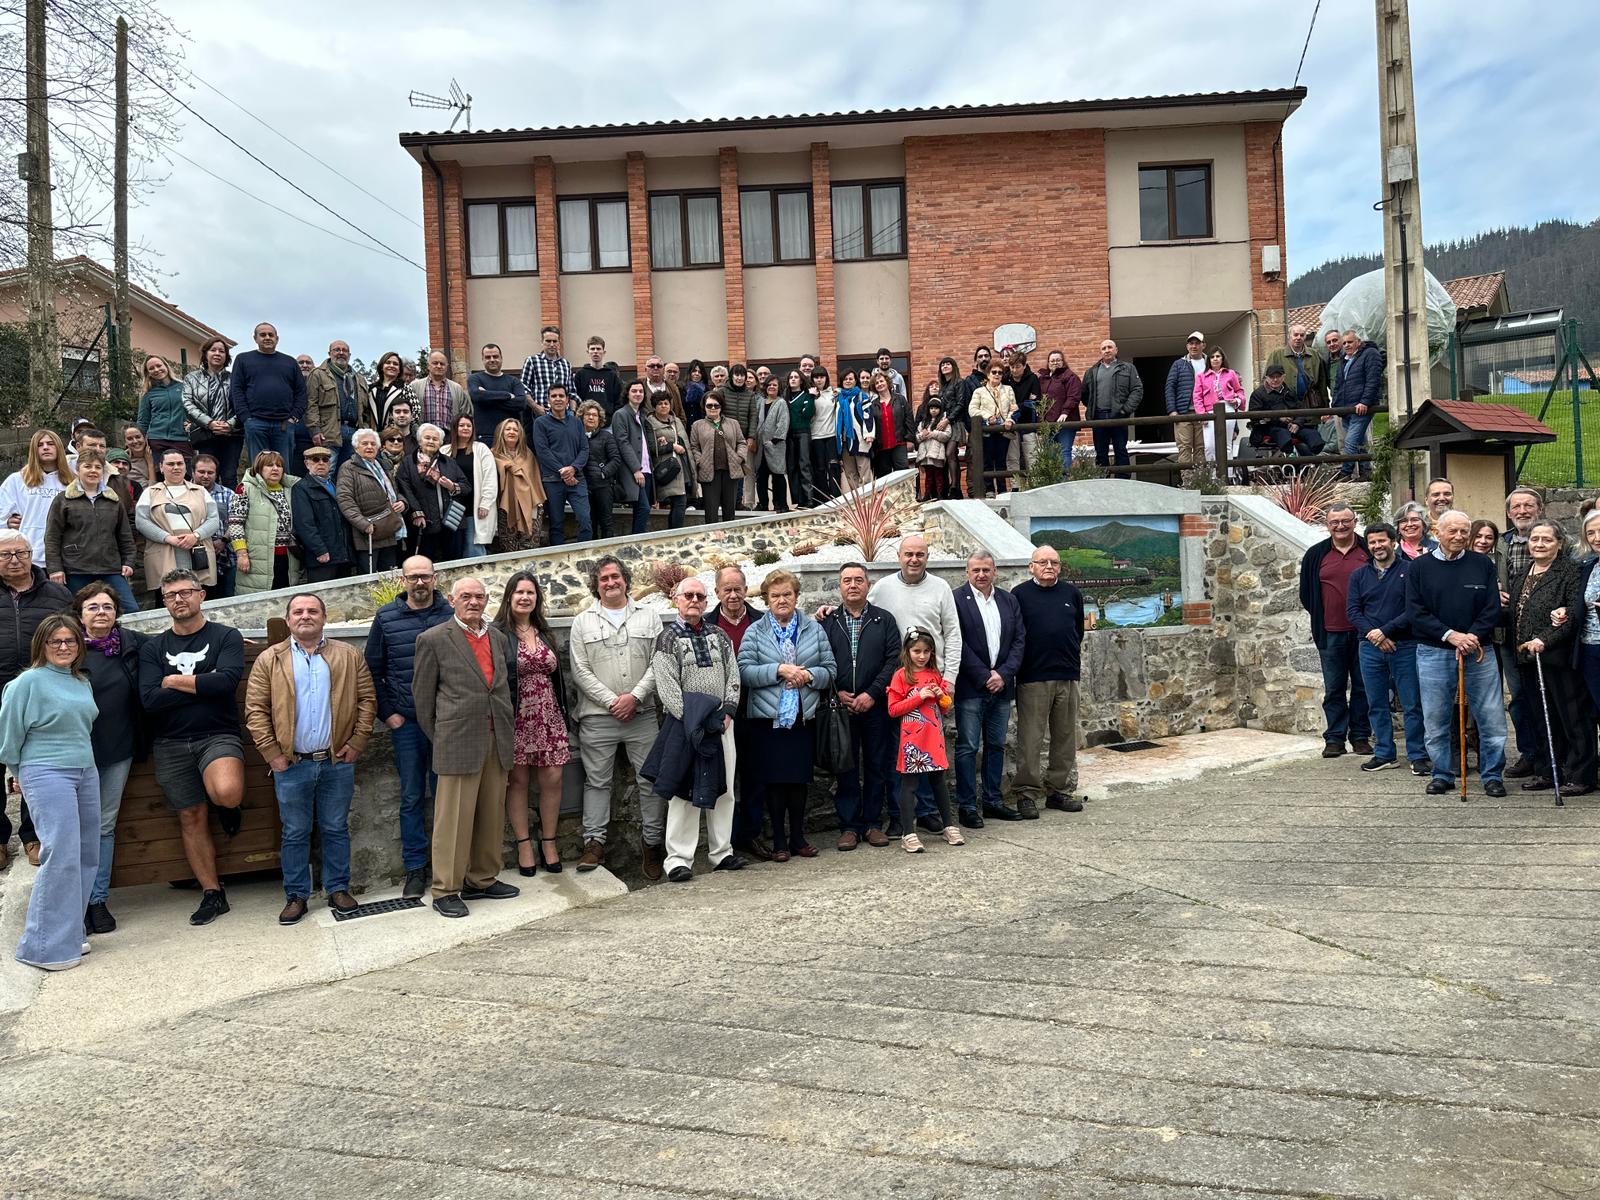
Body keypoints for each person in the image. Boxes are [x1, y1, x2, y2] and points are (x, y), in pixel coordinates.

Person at [245, 593, 377, 924]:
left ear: (324, 617)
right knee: (294, 832)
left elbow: (367, 700)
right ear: (288, 619)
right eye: (299, 611)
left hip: (336, 762)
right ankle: (296, 896)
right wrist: (272, 753)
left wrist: (358, 741)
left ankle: (338, 888)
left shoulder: (349, 655)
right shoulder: (270, 660)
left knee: (335, 827)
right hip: (292, 764)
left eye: (313, 611)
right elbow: (256, 710)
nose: (306, 616)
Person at [138, 568, 246, 925]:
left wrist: (173, 681)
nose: (178, 599)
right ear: (164, 602)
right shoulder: (153, 648)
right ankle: (212, 893)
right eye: (171, 595)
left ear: (201, 595)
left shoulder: (226, 636)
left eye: (185, 592)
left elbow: (227, 683)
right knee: (190, 816)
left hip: (217, 735)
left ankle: (227, 807)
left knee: (227, 792)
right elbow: (149, 700)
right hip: (170, 743)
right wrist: (203, 684)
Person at [412, 575, 520, 918]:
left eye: (479, 596)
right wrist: (443, 736)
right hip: (457, 741)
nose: (473, 602)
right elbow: (423, 699)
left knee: (491, 814)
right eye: (466, 596)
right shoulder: (433, 639)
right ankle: (446, 889)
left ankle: (482, 879)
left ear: (486, 600)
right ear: (452, 600)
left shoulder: (498, 637)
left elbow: (502, 687)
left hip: (496, 738)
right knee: (453, 820)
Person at [0, 615, 99, 969]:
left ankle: (69, 934)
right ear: (41, 645)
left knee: (87, 854)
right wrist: (19, 774)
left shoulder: (80, 681)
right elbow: (8, 736)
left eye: (70, 640)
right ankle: (42, 947)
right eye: (55, 641)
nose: (63, 647)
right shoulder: (26, 683)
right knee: (61, 854)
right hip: (45, 771)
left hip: (85, 770)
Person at [364, 555, 454, 898]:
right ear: (403, 581)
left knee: (447, 797)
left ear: (435, 578)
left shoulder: (451, 614)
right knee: (412, 796)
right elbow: (372, 670)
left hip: (447, 724)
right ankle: (415, 868)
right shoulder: (386, 617)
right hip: (408, 725)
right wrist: (388, 713)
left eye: (425, 576)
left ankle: (448, 866)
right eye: (413, 576)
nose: (419, 582)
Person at [568, 556, 663, 877]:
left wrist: (634, 697)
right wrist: (613, 702)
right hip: (598, 717)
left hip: (642, 715)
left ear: (625, 579)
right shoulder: (582, 623)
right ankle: (594, 843)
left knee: (650, 781)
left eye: (615, 576)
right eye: (603, 579)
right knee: (596, 782)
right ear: (595, 585)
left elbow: (659, 662)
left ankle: (652, 843)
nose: (610, 582)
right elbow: (580, 671)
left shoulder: (649, 616)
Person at [645, 577, 743, 883]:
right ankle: (678, 860)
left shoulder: (719, 635)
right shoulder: (667, 639)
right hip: (685, 727)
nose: (694, 600)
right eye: (688, 595)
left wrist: (728, 711)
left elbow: (733, 675)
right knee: (683, 791)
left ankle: (722, 853)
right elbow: (667, 687)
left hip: (721, 724)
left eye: (700, 596)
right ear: (676, 599)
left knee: (725, 789)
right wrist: (693, 721)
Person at [1405, 511, 1507, 798]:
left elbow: (1492, 607)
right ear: (1438, 533)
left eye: (1464, 531)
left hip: (1478, 650)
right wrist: (1451, 635)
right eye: (1453, 531)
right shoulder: (1419, 567)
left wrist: (1471, 636)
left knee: (1491, 717)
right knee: (1436, 718)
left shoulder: (1482, 564)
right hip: (1434, 651)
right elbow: (1415, 611)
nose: (1459, 536)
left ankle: (1492, 775)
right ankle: (1442, 773)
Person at [736, 571, 835, 863]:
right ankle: (779, 839)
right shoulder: (755, 631)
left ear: (796, 597)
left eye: (787, 594)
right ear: (767, 599)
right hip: (768, 719)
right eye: (775, 595)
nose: (782, 600)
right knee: (775, 781)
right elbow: (743, 671)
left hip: (803, 718)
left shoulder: (813, 629)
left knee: (798, 779)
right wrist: (779, 670)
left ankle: (798, 838)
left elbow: (830, 669)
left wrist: (809, 675)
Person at [74, 583, 146, 934]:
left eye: (107, 606)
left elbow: (174, 645)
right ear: (79, 615)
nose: (101, 612)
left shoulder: (132, 645)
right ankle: (75, 903)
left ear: (117, 613)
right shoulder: (66, 647)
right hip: (74, 753)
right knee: (72, 829)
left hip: (117, 748)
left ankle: (97, 900)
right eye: (93, 607)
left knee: (103, 826)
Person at [1507, 520, 1593, 794]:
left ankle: (1581, 774)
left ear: (1559, 543)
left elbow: (1573, 615)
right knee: (1540, 717)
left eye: (1547, 539)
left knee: (1572, 716)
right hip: (1527, 658)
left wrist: (1545, 639)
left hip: (1558, 657)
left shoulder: (1570, 571)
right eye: (1535, 539)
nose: (1540, 544)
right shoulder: (1524, 572)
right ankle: (1548, 769)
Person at [493, 571, 570, 875]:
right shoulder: (498, 634)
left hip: (549, 715)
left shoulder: (545, 631)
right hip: (516, 716)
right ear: (509, 597)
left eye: (531, 593)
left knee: (553, 778)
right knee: (518, 782)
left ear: (537, 598)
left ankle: (549, 842)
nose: (525, 597)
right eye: (519, 592)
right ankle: (524, 844)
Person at [820, 562, 899, 851]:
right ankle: (849, 826)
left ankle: (873, 824)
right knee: (846, 767)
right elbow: (819, 659)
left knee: (877, 765)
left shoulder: (884, 620)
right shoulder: (828, 622)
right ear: (840, 586)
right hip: (841, 708)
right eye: (847, 580)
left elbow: (893, 659)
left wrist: (872, 693)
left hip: (875, 706)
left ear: (868, 585)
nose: (853, 585)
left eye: (858, 580)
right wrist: (836, 692)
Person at [1345, 523, 1430, 776]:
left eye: (1381, 541)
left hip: (1405, 646)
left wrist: (1385, 631)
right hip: (1370, 647)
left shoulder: (1410, 570)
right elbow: (1353, 611)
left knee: (1412, 703)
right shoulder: (1359, 575)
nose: (1377, 546)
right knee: (1376, 703)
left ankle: (1418, 755)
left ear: (1393, 542)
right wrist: (1376, 635)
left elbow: (1414, 609)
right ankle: (1384, 753)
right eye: (1372, 542)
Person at [1011, 545, 1087, 818]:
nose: (1049, 567)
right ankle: (1027, 794)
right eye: (1042, 562)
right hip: (1033, 677)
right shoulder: (1019, 595)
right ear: (1031, 566)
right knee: (1030, 739)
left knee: (1065, 738)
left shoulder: (1071, 594)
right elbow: (1015, 634)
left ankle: (1059, 791)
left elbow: (1077, 631)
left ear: (1060, 567)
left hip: (1067, 675)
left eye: (1054, 562)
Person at [952, 551, 1026, 822]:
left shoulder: (1008, 600)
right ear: (967, 572)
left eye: (986, 570)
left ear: (994, 571)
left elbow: (1019, 640)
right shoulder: (956, 599)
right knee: (968, 747)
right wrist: (985, 676)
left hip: (1002, 687)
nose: (981, 575)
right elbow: (957, 641)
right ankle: (967, 807)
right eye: (976, 570)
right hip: (971, 687)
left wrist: (1003, 675)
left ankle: (993, 801)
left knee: (996, 745)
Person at [1298, 503, 1373, 759]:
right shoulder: (1315, 555)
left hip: (1365, 633)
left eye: (1345, 521)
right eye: (1334, 522)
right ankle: (1335, 738)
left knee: (1363, 687)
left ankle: (1360, 737)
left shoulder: (1367, 550)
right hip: (1330, 632)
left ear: (1354, 522)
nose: (1340, 526)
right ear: (1327, 525)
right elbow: (1307, 594)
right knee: (1334, 688)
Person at [886, 630, 961, 854]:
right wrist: (919, 697)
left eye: (927, 651)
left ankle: (949, 826)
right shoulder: (901, 676)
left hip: (933, 738)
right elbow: (893, 709)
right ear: (907, 651)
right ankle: (908, 833)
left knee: (939, 781)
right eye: (917, 651)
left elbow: (945, 707)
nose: (922, 656)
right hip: (913, 740)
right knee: (909, 784)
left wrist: (940, 696)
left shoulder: (934, 674)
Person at [712, 567, 768, 860]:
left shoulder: (762, 621)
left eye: (738, 589)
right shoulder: (708, 624)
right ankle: (728, 840)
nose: (733, 595)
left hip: (756, 709)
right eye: (727, 590)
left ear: (746, 590)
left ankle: (751, 834)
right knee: (725, 778)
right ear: (717, 593)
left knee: (755, 776)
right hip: (722, 714)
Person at [44, 451, 137, 613]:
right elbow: (52, 537)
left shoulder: (113, 500)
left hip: (111, 568)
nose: (93, 470)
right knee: (77, 613)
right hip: (76, 569)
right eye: (87, 466)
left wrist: (128, 562)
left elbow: (125, 536)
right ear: (77, 470)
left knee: (130, 610)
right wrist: (55, 568)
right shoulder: (63, 500)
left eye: (98, 467)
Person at [1498, 487, 1545, 777]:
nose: (1522, 511)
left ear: (1539, 509)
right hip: (1509, 632)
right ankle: (1530, 753)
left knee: (1548, 694)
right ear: (1508, 512)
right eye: (1516, 507)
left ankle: (1556, 755)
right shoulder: (1501, 543)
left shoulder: (1554, 538)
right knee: (1518, 696)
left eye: (1528, 505)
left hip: (1545, 633)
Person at [136, 447, 220, 600]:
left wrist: (196, 535)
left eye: (180, 463)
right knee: (168, 597)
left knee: (199, 598)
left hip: (196, 553)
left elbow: (214, 520)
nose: (176, 467)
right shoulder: (150, 492)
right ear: (161, 467)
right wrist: (167, 538)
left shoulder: (201, 491)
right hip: (163, 555)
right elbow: (142, 522)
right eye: (170, 464)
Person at [229, 322, 307, 465]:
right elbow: (236, 390)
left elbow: (301, 392)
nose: (267, 337)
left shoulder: (289, 362)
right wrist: (246, 418)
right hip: (255, 423)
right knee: (259, 468)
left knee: (283, 468)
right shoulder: (243, 360)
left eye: (271, 335)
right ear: (255, 338)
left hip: (284, 425)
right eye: (263, 335)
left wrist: (294, 417)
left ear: (277, 338)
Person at [396, 422, 468, 563]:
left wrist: (452, 486)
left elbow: (466, 486)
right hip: (424, 523)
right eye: (427, 438)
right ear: (419, 440)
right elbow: (405, 489)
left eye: (435, 439)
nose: (431, 441)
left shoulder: (449, 462)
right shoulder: (408, 463)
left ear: (440, 443)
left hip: (451, 522)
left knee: (453, 562)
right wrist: (416, 512)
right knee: (426, 563)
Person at [337, 430, 407, 574]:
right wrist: (363, 524)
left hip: (389, 527)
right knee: (368, 577)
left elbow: (394, 491)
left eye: (373, 444)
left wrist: (402, 501)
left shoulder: (383, 465)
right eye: (365, 443)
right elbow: (345, 499)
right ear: (356, 447)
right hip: (368, 532)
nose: (369, 447)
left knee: (390, 576)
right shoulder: (348, 468)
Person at [229, 451, 300, 594]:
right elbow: (236, 523)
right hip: (257, 558)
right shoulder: (245, 488)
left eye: (279, 465)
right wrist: (241, 554)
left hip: (288, 557)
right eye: (269, 465)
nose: (275, 469)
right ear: (259, 468)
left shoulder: (291, 489)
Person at [0, 430, 73, 568]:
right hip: (27, 556)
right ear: (34, 450)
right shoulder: (17, 480)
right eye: (40, 445)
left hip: (64, 557)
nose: (45, 447)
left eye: (50, 443)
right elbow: (2, 513)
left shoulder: (72, 481)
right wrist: (7, 522)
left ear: (58, 447)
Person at [532, 383, 592, 545]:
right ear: (548, 400)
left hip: (577, 479)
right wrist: (563, 471)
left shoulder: (576, 422)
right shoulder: (540, 423)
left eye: (561, 396)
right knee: (556, 523)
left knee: (585, 520)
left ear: (567, 399)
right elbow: (543, 452)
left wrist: (573, 468)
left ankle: (584, 554)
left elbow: (584, 449)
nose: (558, 399)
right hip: (552, 481)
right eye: (554, 396)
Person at [305, 340, 373, 471]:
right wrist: (315, 430)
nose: (341, 353)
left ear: (349, 354)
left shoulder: (359, 378)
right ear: (329, 353)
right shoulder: (318, 374)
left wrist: (364, 430)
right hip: (328, 433)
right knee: (326, 471)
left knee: (350, 472)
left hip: (354, 433)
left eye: (344, 350)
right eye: (337, 350)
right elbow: (311, 404)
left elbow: (365, 410)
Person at [182, 337, 241, 487]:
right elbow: (188, 404)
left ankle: (229, 503)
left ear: (226, 356)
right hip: (204, 434)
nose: (217, 353)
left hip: (231, 435)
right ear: (205, 353)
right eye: (213, 350)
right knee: (205, 476)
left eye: (221, 351)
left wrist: (230, 424)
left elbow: (243, 404)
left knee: (229, 476)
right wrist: (209, 423)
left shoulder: (235, 378)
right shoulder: (191, 378)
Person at [289, 446, 350, 582]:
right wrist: (319, 550)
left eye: (325, 460)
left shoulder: (334, 485)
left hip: (342, 556)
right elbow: (304, 524)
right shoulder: (301, 488)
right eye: (316, 460)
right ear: (307, 464)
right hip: (321, 558)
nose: (321, 463)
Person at [442, 412, 498, 556]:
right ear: (455, 428)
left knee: (473, 547)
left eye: (469, 425)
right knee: (454, 549)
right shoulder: (444, 451)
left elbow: (490, 478)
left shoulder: (481, 449)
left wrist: (485, 503)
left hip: (474, 506)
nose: (465, 428)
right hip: (452, 508)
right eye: (461, 425)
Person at [1081, 338, 1143, 469]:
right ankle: (1103, 479)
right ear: (1100, 352)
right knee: (1100, 452)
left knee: (1121, 450)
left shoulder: (1128, 368)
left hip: (1119, 416)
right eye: (1103, 348)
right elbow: (1085, 394)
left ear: (1116, 350)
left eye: (1109, 347)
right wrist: (1092, 409)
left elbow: (1137, 390)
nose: (1107, 350)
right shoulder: (1091, 371)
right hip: (1098, 417)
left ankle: (1123, 478)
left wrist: (1125, 410)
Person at [689, 391, 747, 526]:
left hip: (731, 471)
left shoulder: (733, 423)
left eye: (716, 405)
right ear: (704, 407)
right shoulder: (697, 425)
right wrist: (700, 461)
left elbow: (741, 442)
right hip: (708, 472)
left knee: (729, 510)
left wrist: (739, 457)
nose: (713, 408)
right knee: (711, 510)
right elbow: (694, 447)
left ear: (721, 406)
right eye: (709, 405)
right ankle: (711, 537)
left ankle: (729, 536)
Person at [489, 418, 544, 554]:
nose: (512, 432)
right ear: (501, 433)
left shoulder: (527, 454)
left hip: (530, 506)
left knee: (530, 548)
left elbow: (535, 478)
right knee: (509, 548)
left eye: (515, 430)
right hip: (505, 506)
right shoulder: (492, 454)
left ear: (520, 434)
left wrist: (539, 502)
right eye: (508, 429)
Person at [1335, 329, 1384, 478]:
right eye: (1344, 343)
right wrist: (1336, 405)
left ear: (1358, 342)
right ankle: (1366, 472)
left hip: (1361, 408)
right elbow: (1339, 384)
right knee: (1359, 442)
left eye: (1350, 342)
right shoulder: (1344, 360)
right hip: (1347, 409)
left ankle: (1345, 473)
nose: (1347, 345)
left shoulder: (1370, 354)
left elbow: (1373, 379)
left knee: (1350, 441)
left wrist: (1365, 401)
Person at [1246, 365, 1324, 458]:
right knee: (1283, 435)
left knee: (1312, 435)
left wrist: (1297, 423)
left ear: (1283, 377)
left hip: (1291, 425)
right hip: (1269, 427)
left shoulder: (1290, 391)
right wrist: (1278, 418)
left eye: (1278, 376)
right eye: (1272, 377)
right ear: (1266, 378)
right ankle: (1289, 454)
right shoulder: (1258, 394)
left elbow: (1301, 410)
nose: (1275, 380)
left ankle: (1314, 456)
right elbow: (1255, 416)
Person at [712, 363, 760, 509]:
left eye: (742, 375)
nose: (739, 378)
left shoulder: (750, 395)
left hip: (742, 439)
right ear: (731, 377)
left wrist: (751, 437)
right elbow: (715, 413)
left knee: (739, 469)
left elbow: (753, 416)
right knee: (724, 470)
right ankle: (723, 501)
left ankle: (737, 501)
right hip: (724, 437)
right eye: (736, 375)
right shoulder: (722, 392)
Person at [967, 363, 1017, 497]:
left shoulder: (1008, 389)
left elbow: (1013, 408)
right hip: (987, 431)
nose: (997, 375)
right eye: (994, 372)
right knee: (987, 461)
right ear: (988, 374)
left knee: (1001, 461)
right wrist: (988, 417)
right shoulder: (979, 391)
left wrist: (1010, 420)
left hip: (1003, 430)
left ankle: (1002, 490)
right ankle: (989, 490)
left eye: (1000, 372)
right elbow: (972, 409)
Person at [467, 343, 532, 445]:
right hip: (485, 438)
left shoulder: (514, 381)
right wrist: (507, 395)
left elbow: (521, 403)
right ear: (482, 359)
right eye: (488, 357)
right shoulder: (475, 378)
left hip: (510, 438)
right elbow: (477, 396)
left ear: (501, 358)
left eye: (495, 356)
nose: (492, 359)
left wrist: (487, 397)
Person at [612, 379, 655, 536]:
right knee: (644, 508)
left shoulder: (642, 415)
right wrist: (636, 469)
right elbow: (622, 443)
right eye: (634, 391)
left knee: (641, 508)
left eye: (641, 391)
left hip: (647, 469)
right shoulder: (621, 414)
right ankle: (636, 541)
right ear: (627, 394)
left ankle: (637, 539)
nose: (638, 394)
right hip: (633, 470)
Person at [644, 392, 692, 528]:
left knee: (679, 502)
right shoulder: (649, 423)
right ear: (654, 406)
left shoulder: (676, 421)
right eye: (660, 404)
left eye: (666, 403)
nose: (663, 406)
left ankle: (673, 532)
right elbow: (651, 447)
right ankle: (675, 533)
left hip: (680, 467)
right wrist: (672, 446)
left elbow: (685, 442)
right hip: (664, 467)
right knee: (679, 502)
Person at [576, 401, 621, 538]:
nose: (591, 417)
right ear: (582, 417)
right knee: (589, 523)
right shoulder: (576, 436)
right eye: (588, 414)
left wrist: (603, 473)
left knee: (606, 523)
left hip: (603, 486)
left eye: (594, 415)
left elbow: (615, 459)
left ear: (599, 418)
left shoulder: (606, 436)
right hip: (583, 487)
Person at [1162, 333, 1207, 469]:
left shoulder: (1209, 363)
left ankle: (1201, 478)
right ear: (1187, 346)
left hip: (1204, 413)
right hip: (1183, 412)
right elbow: (1170, 387)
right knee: (1184, 447)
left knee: (1202, 447)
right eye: (1191, 343)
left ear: (1203, 345)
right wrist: (1172, 410)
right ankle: (1187, 479)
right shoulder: (1179, 364)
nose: (1194, 346)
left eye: (1197, 343)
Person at [135, 355, 191, 465]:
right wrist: (139, 442)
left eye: (159, 365)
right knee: (160, 474)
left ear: (166, 366)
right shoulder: (148, 393)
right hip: (157, 440)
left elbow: (195, 410)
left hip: (181, 439)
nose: (156, 370)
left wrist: (192, 423)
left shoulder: (184, 387)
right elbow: (143, 421)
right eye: (151, 368)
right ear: (148, 373)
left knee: (185, 473)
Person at [1194, 347, 1245, 465]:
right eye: (1212, 357)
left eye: (1218, 356)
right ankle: (1213, 475)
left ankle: (1228, 474)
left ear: (1222, 358)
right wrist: (1202, 414)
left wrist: (1237, 400)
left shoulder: (1231, 373)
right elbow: (1197, 397)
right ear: (1208, 360)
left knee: (1227, 444)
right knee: (1209, 446)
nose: (1215, 359)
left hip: (1228, 408)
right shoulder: (1201, 376)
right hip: (1209, 411)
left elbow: (1239, 390)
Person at [407, 351, 473, 437]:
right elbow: (408, 412)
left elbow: (466, 414)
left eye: (442, 364)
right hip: (423, 437)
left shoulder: (457, 389)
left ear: (447, 367)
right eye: (435, 363)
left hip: (450, 437)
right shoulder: (415, 387)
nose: (439, 366)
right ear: (428, 366)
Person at [1265, 324, 1331, 412]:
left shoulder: (1314, 355)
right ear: (1289, 336)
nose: (1298, 338)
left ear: (1305, 337)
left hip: (1312, 405)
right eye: (1295, 335)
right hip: (1286, 407)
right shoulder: (1277, 355)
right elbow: (1266, 381)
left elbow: (1322, 383)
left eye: (1302, 335)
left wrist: (1326, 408)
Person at [752, 373, 790, 512]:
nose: (772, 387)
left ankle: (781, 504)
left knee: (778, 475)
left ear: (779, 387)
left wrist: (773, 441)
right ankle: (763, 504)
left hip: (775, 445)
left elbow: (783, 423)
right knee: (761, 476)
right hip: (760, 446)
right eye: (769, 384)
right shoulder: (760, 402)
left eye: (775, 385)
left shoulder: (781, 403)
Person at [836, 371, 877, 496]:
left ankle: (867, 499)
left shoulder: (861, 397)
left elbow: (868, 416)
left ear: (855, 381)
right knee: (850, 473)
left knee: (864, 472)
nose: (848, 381)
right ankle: (857, 500)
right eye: (845, 379)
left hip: (860, 440)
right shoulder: (839, 398)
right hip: (844, 441)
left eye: (851, 379)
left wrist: (869, 434)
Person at [519, 325, 573, 417]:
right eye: (548, 341)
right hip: (541, 415)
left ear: (559, 343)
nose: (552, 344)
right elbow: (523, 388)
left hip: (564, 415)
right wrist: (536, 407)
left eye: (555, 341)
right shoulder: (532, 361)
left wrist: (572, 412)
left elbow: (572, 391)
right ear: (542, 342)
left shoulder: (566, 364)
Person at [1040, 350, 1082, 466]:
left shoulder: (1070, 377)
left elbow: (1073, 396)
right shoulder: (1043, 379)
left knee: (1064, 451)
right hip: (1048, 423)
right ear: (1048, 363)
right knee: (1050, 454)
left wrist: (1065, 412)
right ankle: (1055, 478)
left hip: (1066, 422)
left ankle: (1065, 477)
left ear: (1063, 362)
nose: (1055, 363)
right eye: (1052, 361)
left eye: (1058, 360)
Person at [869, 370, 913, 478]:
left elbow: (909, 419)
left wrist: (910, 439)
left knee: (903, 475)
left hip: (899, 444)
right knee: (885, 478)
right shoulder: (873, 405)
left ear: (887, 382)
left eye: (881, 381)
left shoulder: (900, 399)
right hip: (881, 448)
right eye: (876, 383)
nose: (879, 384)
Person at [784, 370, 815, 506]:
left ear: (801, 380)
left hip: (803, 433)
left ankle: (809, 498)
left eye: (796, 377)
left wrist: (812, 398)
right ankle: (798, 500)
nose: (793, 379)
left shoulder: (807, 395)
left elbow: (807, 414)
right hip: (789, 435)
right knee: (792, 467)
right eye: (791, 377)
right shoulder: (785, 397)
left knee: (804, 465)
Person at [573, 335, 623, 420]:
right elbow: (575, 397)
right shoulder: (580, 374)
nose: (595, 352)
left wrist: (614, 416)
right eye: (592, 349)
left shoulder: (612, 375)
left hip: (608, 420)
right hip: (585, 419)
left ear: (604, 352)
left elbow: (619, 399)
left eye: (598, 349)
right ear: (588, 352)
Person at [808, 366, 838, 503]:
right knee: (820, 469)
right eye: (816, 377)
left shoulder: (833, 392)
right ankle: (822, 500)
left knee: (833, 467)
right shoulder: (809, 394)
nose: (819, 380)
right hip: (816, 436)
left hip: (831, 435)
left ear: (826, 378)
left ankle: (836, 497)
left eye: (822, 377)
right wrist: (811, 397)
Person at [914, 390, 952, 501]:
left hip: (937, 453)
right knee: (928, 475)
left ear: (940, 409)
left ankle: (940, 494)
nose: (933, 410)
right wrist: (923, 435)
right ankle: (927, 494)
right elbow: (917, 436)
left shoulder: (943, 422)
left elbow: (947, 435)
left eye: (936, 408)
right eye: (931, 408)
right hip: (925, 454)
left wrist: (933, 434)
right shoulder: (923, 422)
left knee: (939, 475)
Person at [370, 351, 408, 432]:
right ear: (381, 367)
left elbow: (415, 412)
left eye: (395, 364)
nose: (391, 365)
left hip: (395, 434)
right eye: (388, 362)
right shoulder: (371, 389)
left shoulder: (405, 388)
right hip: (373, 434)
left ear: (399, 370)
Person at [682, 359, 708, 427]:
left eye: (699, 372)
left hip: (702, 425)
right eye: (694, 371)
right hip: (686, 425)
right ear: (689, 372)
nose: (697, 374)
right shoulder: (682, 389)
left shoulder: (707, 390)